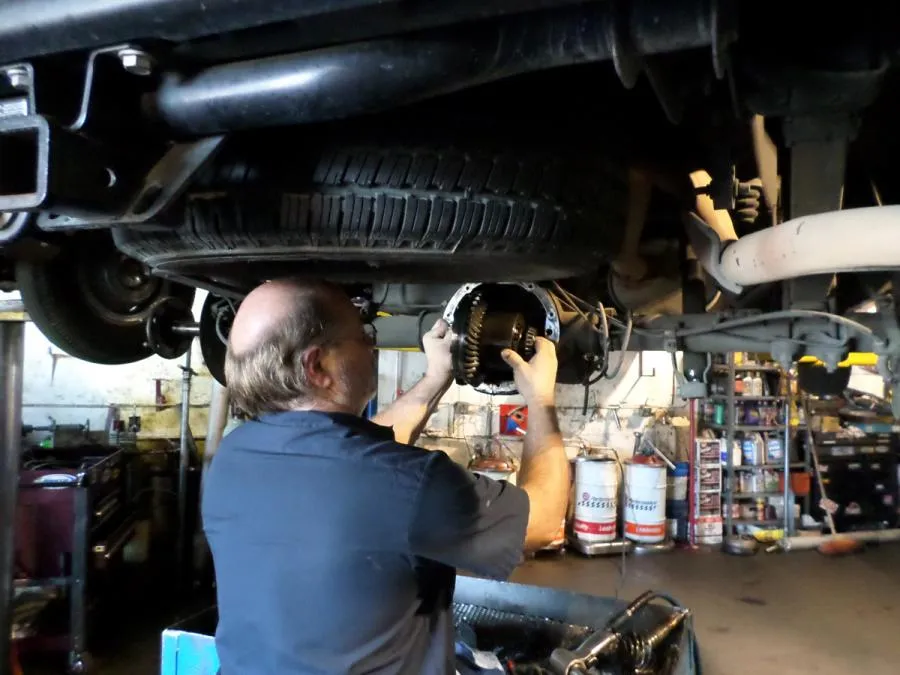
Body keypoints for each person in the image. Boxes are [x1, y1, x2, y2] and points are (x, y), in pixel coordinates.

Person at [202, 278, 570, 675]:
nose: (372, 347)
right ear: (318, 365)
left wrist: (435, 378)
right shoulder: (409, 483)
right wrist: (540, 399)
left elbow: (357, 463)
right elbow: (545, 520)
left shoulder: (234, 455)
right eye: (363, 336)